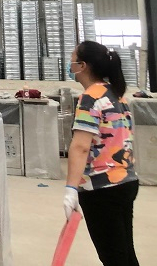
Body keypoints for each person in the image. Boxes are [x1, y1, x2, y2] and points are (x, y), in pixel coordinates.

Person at [64, 40, 139, 266]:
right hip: (125, 181)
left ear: (82, 66)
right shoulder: (116, 95)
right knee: (125, 253)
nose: (70, 65)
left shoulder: (90, 97)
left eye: (72, 60)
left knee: (114, 257)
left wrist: (70, 188)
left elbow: (80, 146)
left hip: (102, 187)